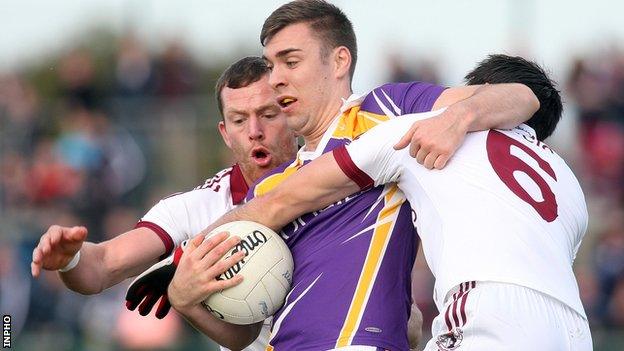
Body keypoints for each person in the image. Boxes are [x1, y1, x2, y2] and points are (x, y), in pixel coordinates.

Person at [130, 1, 541, 350]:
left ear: (339, 61)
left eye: (291, 61)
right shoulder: (272, 187)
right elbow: (244, 333)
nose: (276, 78)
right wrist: (185, 300)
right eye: (271, 65)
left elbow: (521, 96)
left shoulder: (384, 109)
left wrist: (457, 118)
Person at [200, 54, 592, 350]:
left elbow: (288, 197)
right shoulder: (569, 182)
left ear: (479, 90)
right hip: (575, 328)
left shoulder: (427, 130)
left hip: (488, 308)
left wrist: (191, 260)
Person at [30, 56, 299, 351]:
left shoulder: (335, 183)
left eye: (268, 114)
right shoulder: (195, 207)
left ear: (293, 115)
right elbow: (104, 264)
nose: (254, 131)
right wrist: (71, 260)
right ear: (225, 133)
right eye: (239, 119)